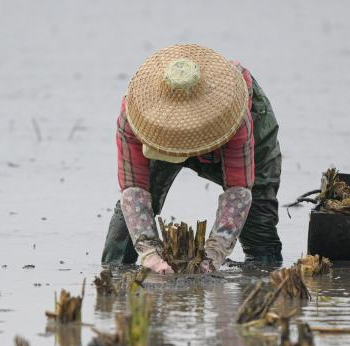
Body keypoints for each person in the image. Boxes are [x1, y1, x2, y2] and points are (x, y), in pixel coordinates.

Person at [101, 44, 282, 273]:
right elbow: (133, 189)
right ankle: (114, 277)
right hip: (162, 127)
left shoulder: (235, 115)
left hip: (231, 125)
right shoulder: (137, 114)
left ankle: (261, 284)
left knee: (259, 220)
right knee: (127, 226)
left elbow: (239, 189)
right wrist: (149, 254)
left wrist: (213, 255)